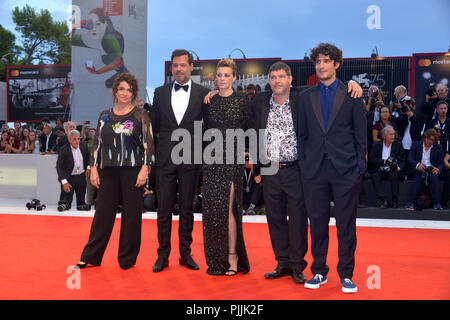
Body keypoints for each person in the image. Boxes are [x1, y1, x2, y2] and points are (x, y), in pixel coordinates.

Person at [298, 43, 366, 294]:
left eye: (327, 61)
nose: (322, 65)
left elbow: (361, 134)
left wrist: (360, 166)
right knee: (317, 223)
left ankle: (346, 274)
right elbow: (301, 135)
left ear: (337, 64)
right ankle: (319, 271)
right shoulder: (305, 97)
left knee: (346, 224)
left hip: (346, 170)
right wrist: (304, 164)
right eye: (318, 61)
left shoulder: (352, 94)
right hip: (314, 170)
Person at [75, 72, 153, 270]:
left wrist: (145, 169)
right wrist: (93, 168)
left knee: (132, 216)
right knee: (102, 213)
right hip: (109, 171)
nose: (125, 93)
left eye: (129, 90)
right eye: (122, 89)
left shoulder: (140, 115)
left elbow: (149, 145)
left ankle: (127, 259)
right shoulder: (105, 116)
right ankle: (91, 256)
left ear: (133, 93)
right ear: (115, 91)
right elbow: (97, 146)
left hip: (133, 171)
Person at [150, 49, 209, 273]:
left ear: (191, 67)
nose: (179, 69)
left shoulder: (204, 93)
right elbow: (153, 126)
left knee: (186, 208)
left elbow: (209, 127)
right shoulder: (159, 92)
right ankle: (162, 255)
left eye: (183, 65)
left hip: (191, 157)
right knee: (163, 208)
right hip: (165, 158)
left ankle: (185, 254)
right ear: (171, 68)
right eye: (175, 65)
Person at [202, 58, 251, 276]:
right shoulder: (209, 101)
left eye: (226, 75)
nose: (222, 79)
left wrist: (247, 152)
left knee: (228, 208)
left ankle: (232, 255)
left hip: (232, 160)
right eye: (219, 75)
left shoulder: (242, 100)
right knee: (213, 210)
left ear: (234, 77)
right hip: (212, 160)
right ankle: (216, 258)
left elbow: (251, 128)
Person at [405, 128, 444, 210]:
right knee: (418, 178)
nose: (430, 142)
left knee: (434, 178)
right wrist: (417, 164)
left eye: (433, 140)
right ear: (424, 137)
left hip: (431, 169)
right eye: (429, 139)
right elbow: (410, 159)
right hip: (419, 169)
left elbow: (441, 164)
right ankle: (411, 202)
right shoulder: (416, 145)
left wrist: (438, 169)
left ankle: (437, 203)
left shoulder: (438, 147)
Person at [369, 126, 405, 208]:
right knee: (375, 176)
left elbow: (403, 160)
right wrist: (384, 161)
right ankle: (384, 200)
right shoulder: (376, 145)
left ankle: (395, 200)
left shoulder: (398, 145)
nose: (393, 136)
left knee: (395, 175)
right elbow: (372, 159)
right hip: (380, 169)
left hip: (393, 170)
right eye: (390, 134)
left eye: (393, 134)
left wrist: (398, 167)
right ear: (384, 136)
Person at [56, 130, 91, 210]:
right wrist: (64, 181)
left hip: (81, 176)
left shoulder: (84, 145)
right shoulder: (64, 149)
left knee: (81, 204)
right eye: (74, 139)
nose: (77, 141)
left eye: (78, 139)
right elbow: (58, 166)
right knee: (66, 204)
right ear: (69, 140)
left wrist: (88, 167)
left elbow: (88, 157)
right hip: (69, 178)